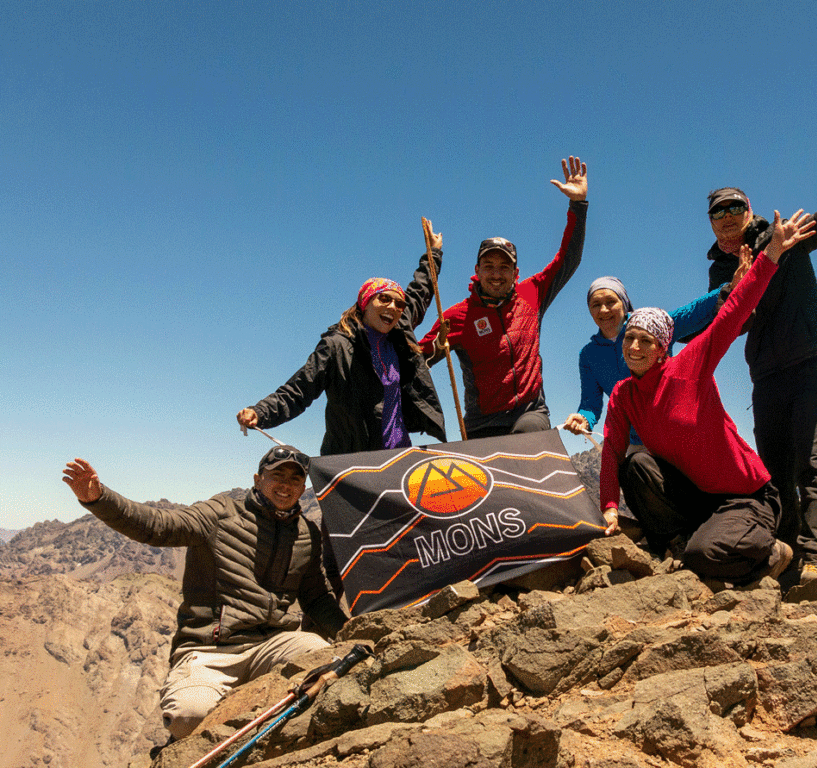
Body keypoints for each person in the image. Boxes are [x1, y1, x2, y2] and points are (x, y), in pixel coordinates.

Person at [62, 446, 348, 740]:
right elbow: (157, 526)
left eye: (295, 479)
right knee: (189, 719)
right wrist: (99, 499)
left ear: (303, 487)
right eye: (278, 475)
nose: (286, 485)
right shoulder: (219, 514)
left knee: (323, 659)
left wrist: (353, 632)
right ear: (258, 479)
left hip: (273, 645)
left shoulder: (306, 533)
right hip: (210, 651)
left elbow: (317, 598)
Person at [600, 210, 815, 584]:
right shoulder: (624, 394)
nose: (634, 347)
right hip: (699, 498)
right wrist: (609, 507)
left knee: (703, 558)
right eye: (629, 339)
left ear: (662, 348)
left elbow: (733, 314)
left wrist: (772, 254)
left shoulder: (690, 365)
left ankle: (770, 552)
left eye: (645, 341)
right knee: (635, 468)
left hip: (745, 496)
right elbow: (611, 451)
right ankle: (678, 542)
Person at [705, 126, 817, 583]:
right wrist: (736, 291)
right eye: (719, 214)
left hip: (812, 366)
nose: (728, 217)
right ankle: (789, 560)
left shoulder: (785, 235)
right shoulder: (719, 271)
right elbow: (729, 329)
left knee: (816, 464)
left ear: (748, 209)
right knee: (775, 475)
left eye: (735, 207)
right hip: (768, 380)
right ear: (713, 226)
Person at [236, 225, 447, 455]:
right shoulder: (336, 345)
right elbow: (299, 389)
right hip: (350, 461)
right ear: (365, 303)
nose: (393, 307)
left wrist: (433, 254)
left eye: (399, 304)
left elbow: (421, 290)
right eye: (384, 299)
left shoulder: (399, 333)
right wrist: (261, 412)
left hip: (397, 456)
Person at [419, 157, 588, 439]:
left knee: (527, 436)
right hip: (480, 424)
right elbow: (418, 360)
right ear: (477, 270)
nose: (496, 274)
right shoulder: (456, 317)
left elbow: (567, 259)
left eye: (504, 267)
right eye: (489, 266)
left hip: (529, 413)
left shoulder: (532, 293)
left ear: (515, 272)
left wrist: (578, 206)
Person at [562, 273, 750, 522]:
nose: (604, 310)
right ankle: (668, 536)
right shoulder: (589, 355)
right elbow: (590, 404)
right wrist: (583, 420)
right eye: (595, 304)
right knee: (634, 477)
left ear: (624, 302)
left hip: (673, 433)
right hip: (636, 438)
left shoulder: (651, 326)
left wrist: (729, 288)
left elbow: (693, 311)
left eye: (610, 301)